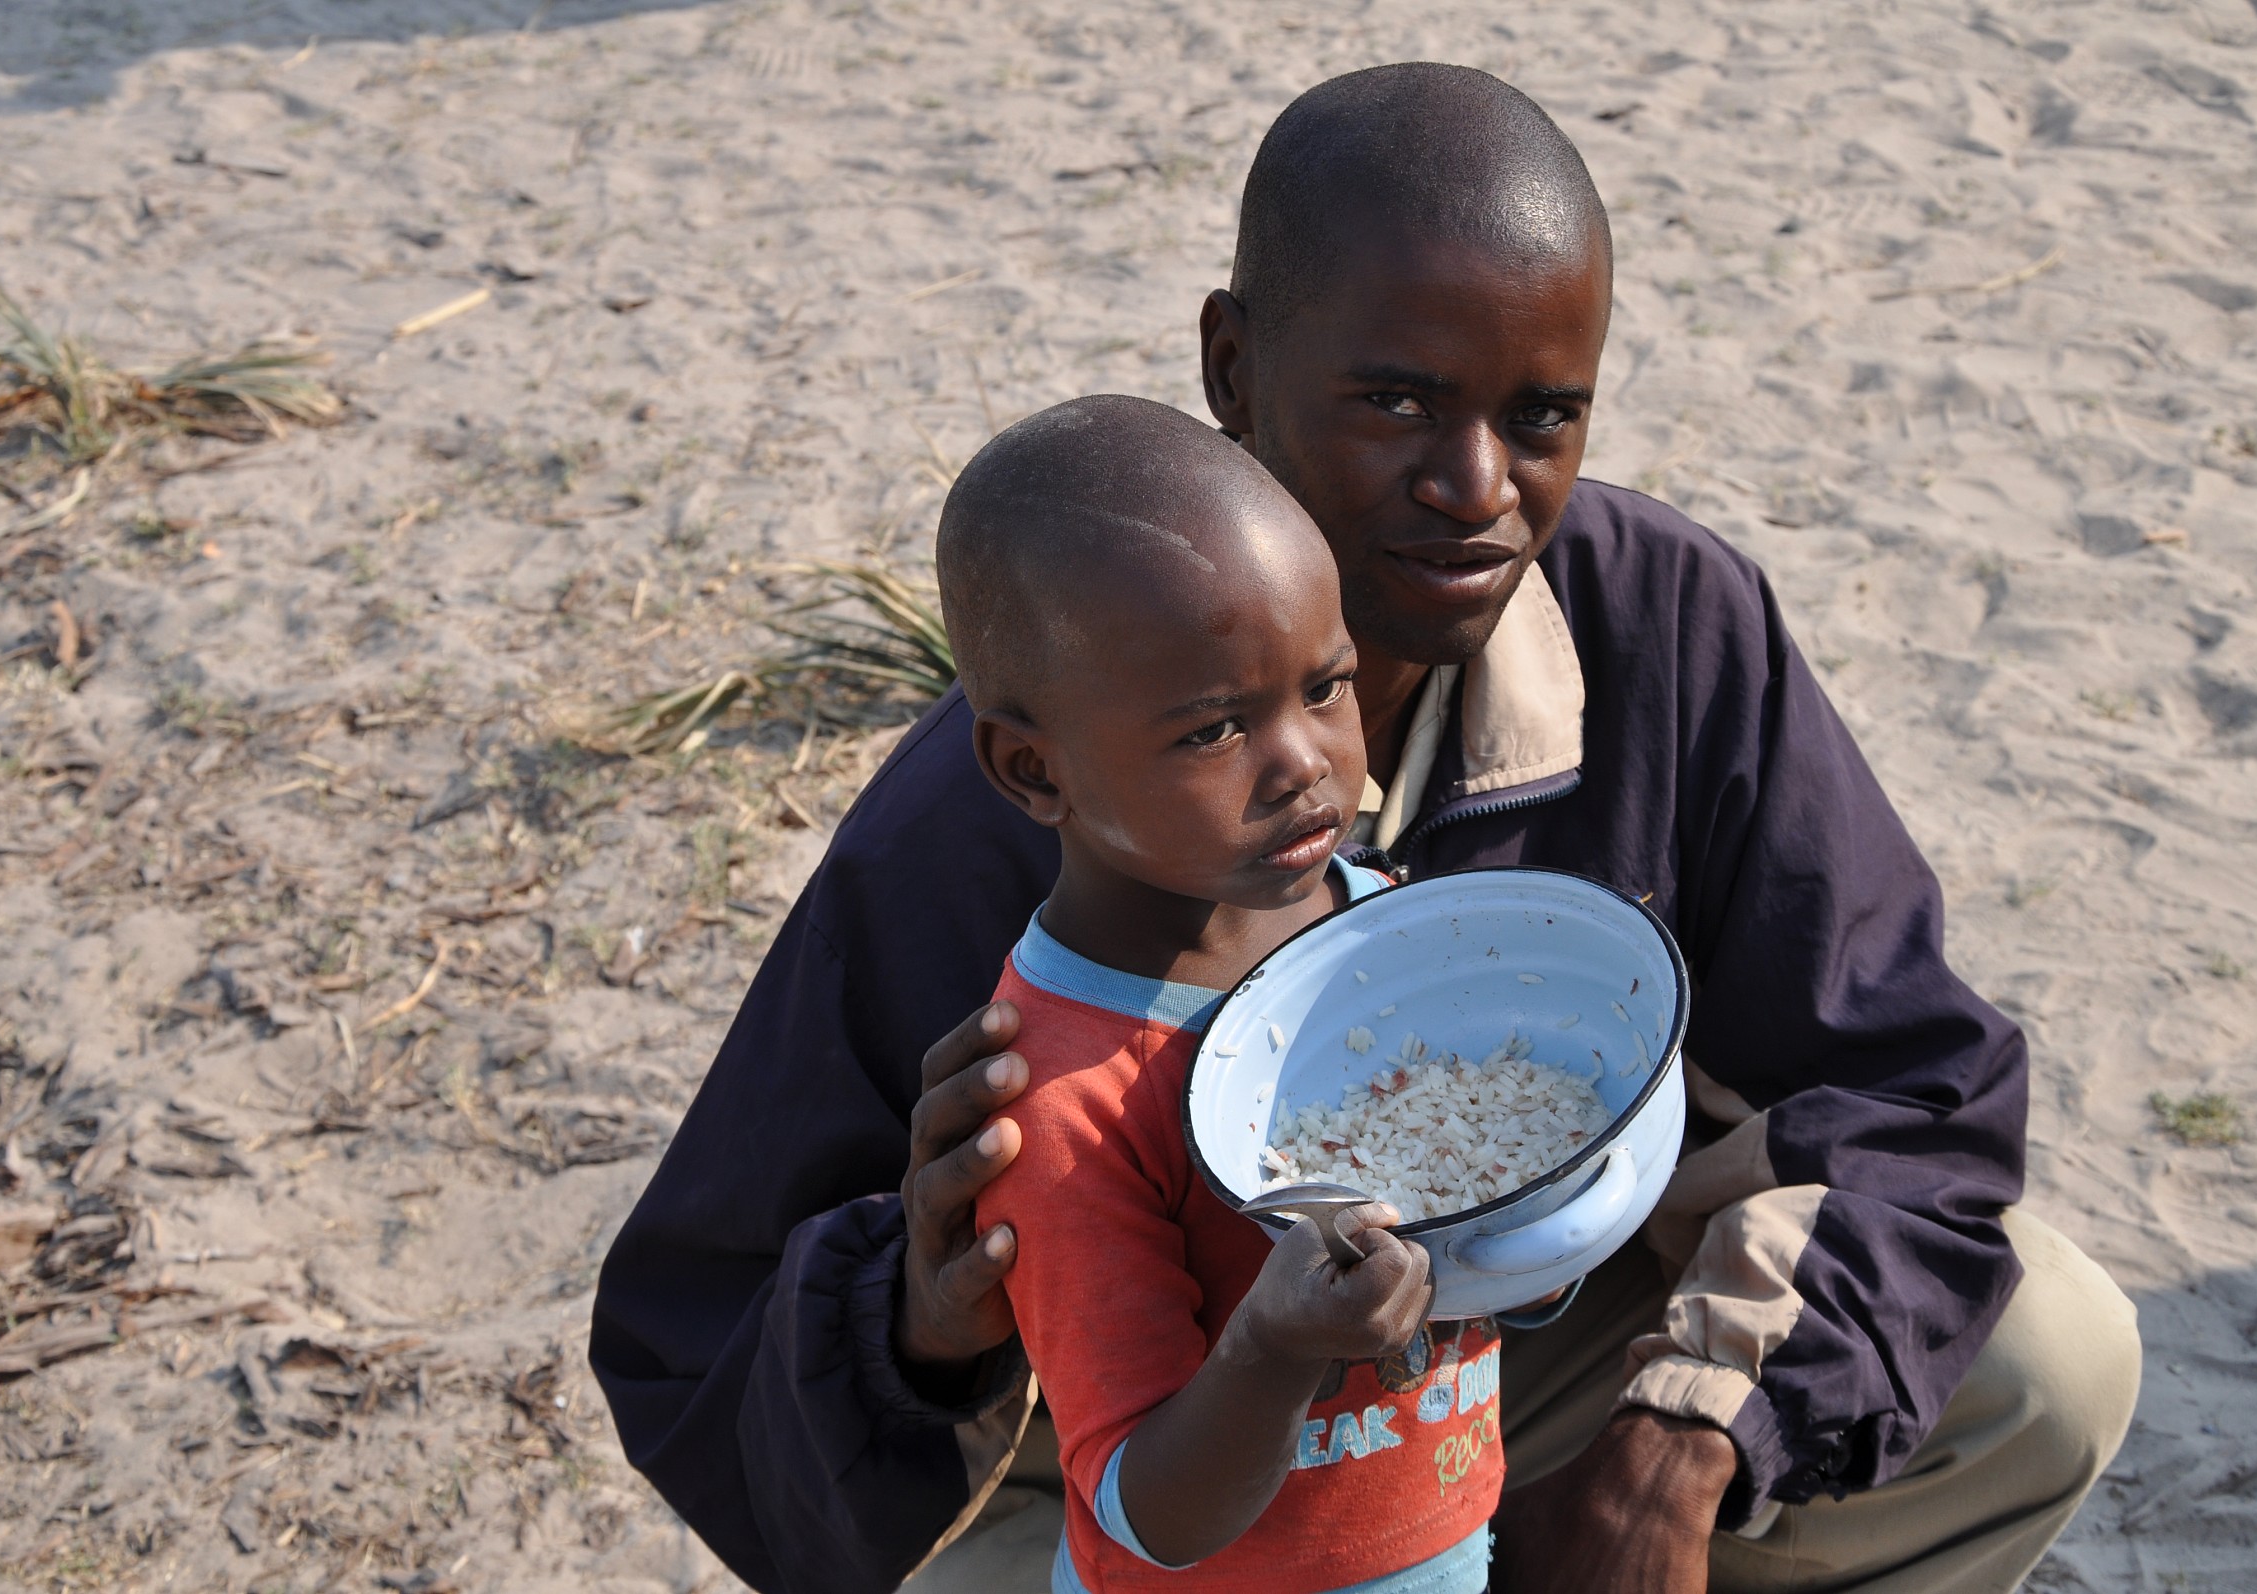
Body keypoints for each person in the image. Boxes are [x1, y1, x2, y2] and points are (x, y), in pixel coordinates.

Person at [591, 63, 2142, 1594]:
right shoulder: (1029, 796)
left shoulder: (1668, 627)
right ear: (1234, 369)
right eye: (1396, 399)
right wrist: (918, 1324)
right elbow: (690, 1334)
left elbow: (1906, 1087)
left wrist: (1680, 1441)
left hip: (1505, 1369)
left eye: (1543, 414)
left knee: (2044, 1364)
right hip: (1172, 1460)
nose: (1477, 487)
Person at [937, 392, 1496, 1592]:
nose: (1303, 760)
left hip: (1442, 1544)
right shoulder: (1063, 1096)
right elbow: (1148, 1509)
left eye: (1327, 686)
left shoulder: (1385, 926)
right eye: (1211, 732)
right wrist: (1274, 1347)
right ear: (1034, 767)